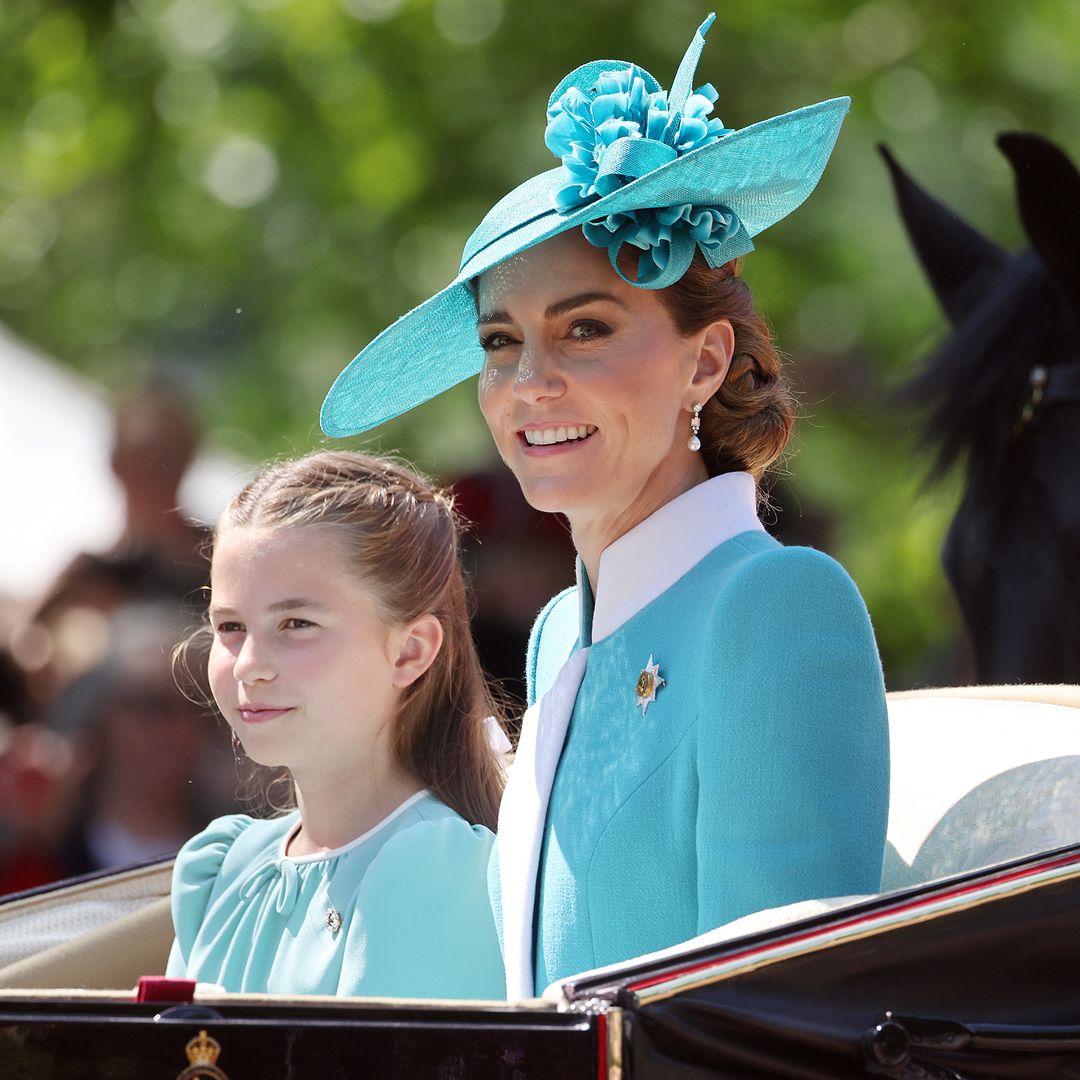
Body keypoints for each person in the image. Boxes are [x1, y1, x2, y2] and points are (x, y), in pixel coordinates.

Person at [320, 15, 890, 998]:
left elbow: (776, 1027)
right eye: (501, 343)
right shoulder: (554, 635)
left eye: (584, 329)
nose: (528, 383)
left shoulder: (779, 604)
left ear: (702, 362)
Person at [166, 450, 507, 998]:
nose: (250, 664)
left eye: (297, 623)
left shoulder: (431, 875)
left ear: (410, 651)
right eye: (229, 626)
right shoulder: (222, 869)